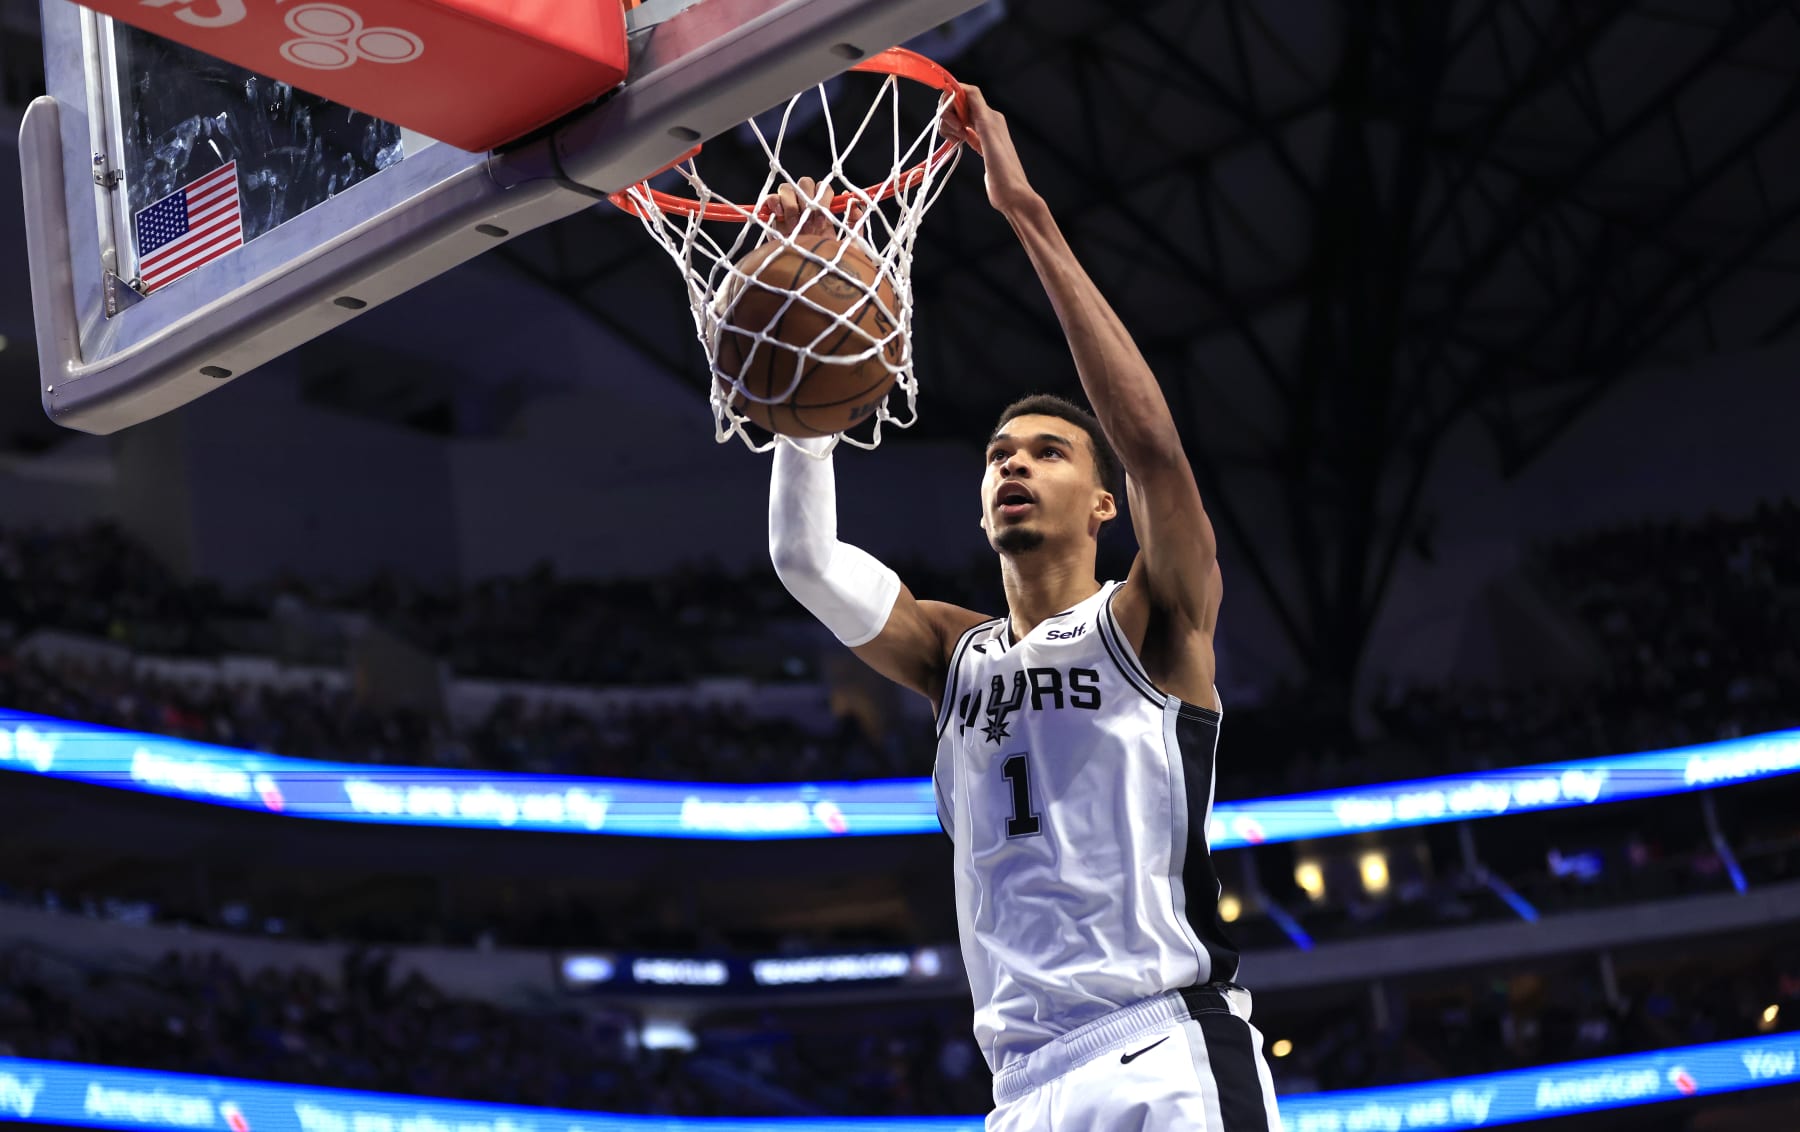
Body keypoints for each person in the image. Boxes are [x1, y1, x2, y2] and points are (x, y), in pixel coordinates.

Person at [764, 86, 1283, 1130]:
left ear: (1101, 504)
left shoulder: (1150, 619)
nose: (1014, 464)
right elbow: (803, 555)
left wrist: (1026, 214)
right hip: (1021, 1087)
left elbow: (1153, 450)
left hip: (1158, 1049)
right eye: (1000, 453)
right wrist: (804, 411)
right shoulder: (952, 653)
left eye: (1048, 452)